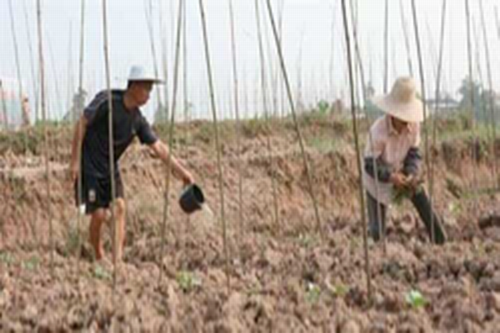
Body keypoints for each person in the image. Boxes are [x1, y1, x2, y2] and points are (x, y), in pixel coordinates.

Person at [70, 65, 194, 262]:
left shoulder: (138, 120)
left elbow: (159, 148)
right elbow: (82, 122)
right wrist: (75, 161)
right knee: (100, 214)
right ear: (134, 86)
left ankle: (117, 261)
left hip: (111, 168)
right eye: (147, 89)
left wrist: (183, 173)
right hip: (91, 166)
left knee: (119, 206)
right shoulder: (107, 100)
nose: (149, 95)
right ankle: (98, 253)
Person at [363, 77, 446, 244]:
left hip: (400, 171)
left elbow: (414, 153)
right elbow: (370, 165)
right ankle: (379, 250)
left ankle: (439, 240)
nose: (406, 122)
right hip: (378, 179)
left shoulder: (414, 126)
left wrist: (411, 173)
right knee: (377, 232)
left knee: (420, 195)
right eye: (403, 117)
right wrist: (391, 176)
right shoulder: (378, 131)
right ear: (393, 113)